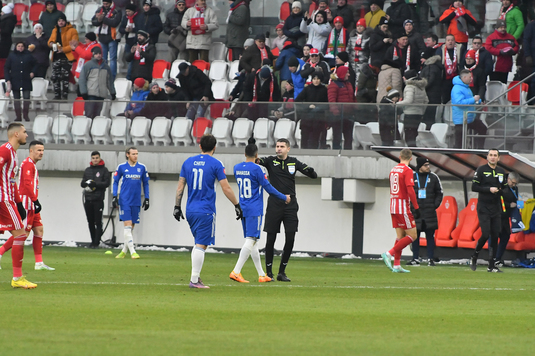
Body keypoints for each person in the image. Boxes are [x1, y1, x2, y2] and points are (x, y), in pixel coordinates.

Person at [173, 134, 242, 289]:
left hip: (190, 209)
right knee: (201, 245)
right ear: (215, 147)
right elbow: (226, 187)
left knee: (198, 244)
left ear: (200, 146)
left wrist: (177, 206)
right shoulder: (216, 164)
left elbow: (180, 187)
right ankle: (194, 280)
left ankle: (196, 277)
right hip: (205, 210)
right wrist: (237, 205)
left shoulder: (188, 162)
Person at [230, 138, 290, 283]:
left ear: (245, 153)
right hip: (254, 208)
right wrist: (284, 197)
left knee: (254, 241)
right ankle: (236, 271)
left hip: (243, 207)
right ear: (257, 155)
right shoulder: (257, 169)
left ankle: (262, 274)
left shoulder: (237, 167)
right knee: (251, 240)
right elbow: (268, 188)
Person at [258, 138, 317, 281]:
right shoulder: (270, 161)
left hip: (290, 205)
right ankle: (269, 273)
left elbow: (313, 175)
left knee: (290, 237)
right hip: (274, 204)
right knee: (271, 238)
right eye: (277, 146)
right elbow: (256, 161)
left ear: (288, 149)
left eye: (282, 146)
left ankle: (281, 272)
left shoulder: (293, 162)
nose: (279, 149)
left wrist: (310, 170)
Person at [0, 140, 54, 271]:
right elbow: (27, 184)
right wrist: (35, 201)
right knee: (22, 233)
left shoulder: (31, 164)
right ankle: (1, 252)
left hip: (32, 203)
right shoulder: (27, 164)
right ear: (31, 151)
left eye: (42, 150)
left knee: (39, 229)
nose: (41, 153)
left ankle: (39, 262)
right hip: (28, 203)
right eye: (38, 150)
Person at [0, 123, 36, 288]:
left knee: (20, 234)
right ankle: (17, 278)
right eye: (24, 132)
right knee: (21, 234)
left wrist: (20, 204)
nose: (26, 135)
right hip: (3, 199)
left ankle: (17, 278)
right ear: (15, 134)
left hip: (9, 199)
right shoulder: (5, 150)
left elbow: (11, 181)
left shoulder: (13, 154)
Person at [380, 148, 420, 273]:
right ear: (411, 158)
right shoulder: (407, 171)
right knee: (412, 235)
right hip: (403, 206)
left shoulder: (393, 170)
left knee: (400, 235)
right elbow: (410, 190)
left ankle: (396, 265)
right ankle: (389, 253)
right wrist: (416, 207)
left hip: (393, 205)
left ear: (399, 156)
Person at [470, 149, 507, 273]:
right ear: (487, 157)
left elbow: (505, 188)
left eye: (495, 155)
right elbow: (474, 186)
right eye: (491, 155)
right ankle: (474, 256)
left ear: (499, 158)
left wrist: (500, 191)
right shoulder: (481, 170)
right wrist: (488, 189)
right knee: (485, 234)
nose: (492, 157)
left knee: (495, 235)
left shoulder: (501, 172)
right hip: (483, 206)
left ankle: (491, 265)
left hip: (496, 207)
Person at [112, 147, 150, 260]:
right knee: (127, 226)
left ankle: (124, 251)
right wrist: (115, 195)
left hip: (136, 201)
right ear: (127, 155)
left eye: (137, 154)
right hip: (125, 200)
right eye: (133, 154)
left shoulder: (142, 167)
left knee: (131, 227)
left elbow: (146, 183)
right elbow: (115, 182)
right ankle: (133, 252)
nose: (136, 156)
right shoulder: (121, 167)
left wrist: (147, 198)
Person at [406, 157, 443, 266]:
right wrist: (411, 208)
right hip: (416, 213)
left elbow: (439, 193)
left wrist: (434, 206)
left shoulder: (433, 177)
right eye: (425, 165)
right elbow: (407, 193)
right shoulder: (412, 177)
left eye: (428, 165)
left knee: (430, 237)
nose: (428, 167)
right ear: (420, 166)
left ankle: (430, 258)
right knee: (415, 236)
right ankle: (415, 258)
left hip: (429, 212)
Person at [81, 151, 110, 249]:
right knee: (90, 221)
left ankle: (97, 242)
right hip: (88, 199)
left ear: (100, 158)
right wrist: (86, 184)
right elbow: (82, 183)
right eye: (93, 158)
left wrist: (95, 185)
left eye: (97, 158)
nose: (95, 160)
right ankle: (92, 241)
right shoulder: (87, 170)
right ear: (91, 159)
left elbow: (106, 183)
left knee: (98, 222)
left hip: (98, 199)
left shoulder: (104, 170)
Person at [451, 69, 486, 148]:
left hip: (469, 118)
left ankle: (480, 148)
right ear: (464, 77)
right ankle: (456, 155)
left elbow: (469, 99)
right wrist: (473, 99)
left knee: (482, 128)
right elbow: (459, 103)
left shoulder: (466, 87)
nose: (471, 79)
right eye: (470, 77)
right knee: (459, 142)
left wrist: (478, 101)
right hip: (461, 119)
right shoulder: (457, 88)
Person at [78, 47, 116, 119]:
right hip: (91, 94)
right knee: (88, 114)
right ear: (93, 55)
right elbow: (82, 79)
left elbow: (110, 81)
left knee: (97, 116)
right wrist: (83, 92)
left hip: (101, 95)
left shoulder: (106, 67)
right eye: (96, 54)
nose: (98, 55)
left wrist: (112, 92)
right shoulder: (88, 65)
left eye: (99, 53)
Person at [48, 13, 79, 100]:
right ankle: (57, 95)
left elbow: (74, 44)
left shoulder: (72, 31)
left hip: (66, 56)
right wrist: (50, 43)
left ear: (65, 21)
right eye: (59, 21)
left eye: (62, 21)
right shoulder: (55, 30)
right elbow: (50, 40)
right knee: (55, 76)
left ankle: (65, 95)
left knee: (65, 76)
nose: (61, 22)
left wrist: (63, 49)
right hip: (56, 56)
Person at [4, 42, 37, 122]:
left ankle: (26, 115)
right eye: (18, 46)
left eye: (22, 46)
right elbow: (6, 68)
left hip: (26, 79)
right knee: (16, 99)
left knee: (26, 98)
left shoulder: (28, 55)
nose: (20, 48)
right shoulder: (12, 56)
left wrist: (33, 72)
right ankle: (18, 116)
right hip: (15, 80)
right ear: (16, 47)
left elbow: (36, 64)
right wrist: (8, 79)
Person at [295, 72, 328, 148]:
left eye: (318, 79)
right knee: (304, 139)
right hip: (307, 119)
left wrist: (318, 108)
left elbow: (327, 104)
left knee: (315, 139)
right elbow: (297, 101)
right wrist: (308, 106)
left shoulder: (324, 90)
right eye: (314, 79)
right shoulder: (307, 89)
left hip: (318, 119)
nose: (316, 81)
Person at [91, 0, 121, 81]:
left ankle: (112, 77)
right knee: (103, 58)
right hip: (102, 37)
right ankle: (103, 75)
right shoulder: (100, 9)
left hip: (112, 37)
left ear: (111, 2)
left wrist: (103, 18)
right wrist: (98, 19)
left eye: (107, 3)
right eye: (104, 3)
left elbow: (114, 22)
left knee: (112, 58)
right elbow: (93, 22)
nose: (105, 5)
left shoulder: (116, 10)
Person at [397, 69, 428, 146]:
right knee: (414, 134)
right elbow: (426, 100)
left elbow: (408, 100)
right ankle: (414, 151)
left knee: (409, 136)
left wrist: (396, 104)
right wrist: (422, 111)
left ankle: (412, 153)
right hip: (419, 114)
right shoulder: (421, 86)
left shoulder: (410, 86)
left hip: (410, 114)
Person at [495, 171, 520, 267]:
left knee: (505, 236)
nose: (513, 185)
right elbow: (497, 201)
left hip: (506, 216)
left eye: (515, 183)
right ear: (508, 179)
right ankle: (493, 258)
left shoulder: (515, 189)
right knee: (494, 236)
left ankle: (497, 258)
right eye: (512, 183)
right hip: (497, 215)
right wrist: (509, 204)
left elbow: (515, 199)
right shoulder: (501, 186)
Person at [485, 19, 519, 84]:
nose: (503, 29)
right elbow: (488, 48)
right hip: (495, 66)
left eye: (504, 27)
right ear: (497, 28)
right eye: (501, 27)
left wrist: (513, 51)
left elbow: (516, 46)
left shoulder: (511, 37)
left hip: (506, 66)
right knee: (494, 84)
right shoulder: (491, 37)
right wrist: (499, 52)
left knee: (504, 84)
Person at [436, 34, 463, 103]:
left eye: (452, 40)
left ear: (454, 41)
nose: (450, 42)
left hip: (457, 78)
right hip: (445, 78)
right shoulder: (440, 49)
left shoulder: (460, 48)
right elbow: (437, 62)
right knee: (445, 98)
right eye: (448, 40)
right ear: (445, 42)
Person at [420, 51, 443, 129]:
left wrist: (421, 87)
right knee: (432, 117)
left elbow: (429, 81)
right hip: (436, 95)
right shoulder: (438, 67)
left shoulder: (430, 67)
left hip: (429, 96)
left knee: (427, 119)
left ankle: (427, 135)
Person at [118, 4, 139, 80]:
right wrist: (125, 30)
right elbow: (121, 28)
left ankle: (130, 76)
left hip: (136, 41)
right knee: (129, 60)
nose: (127, 13)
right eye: (126, 11)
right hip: (128, 41)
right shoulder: (125, 18)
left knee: (134, 61)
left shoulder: (138, 18)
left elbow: (140, 28)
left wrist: (132, 30)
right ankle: (129, 76)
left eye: (129, 11)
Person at [0, 3, 17, 78]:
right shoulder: (7, 19)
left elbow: (6, 31)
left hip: (4, 42)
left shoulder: (8, 21)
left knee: (3, 58)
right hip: (3, 41)